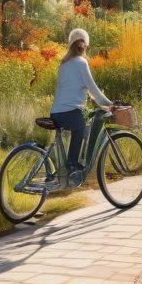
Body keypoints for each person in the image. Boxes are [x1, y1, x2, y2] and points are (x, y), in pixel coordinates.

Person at [50, 28, 113, 186]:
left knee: (83, 126)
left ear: (71, 45)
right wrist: (109, 104)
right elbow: (93, 89)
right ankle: (72, 165)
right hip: (69, 112)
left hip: (56, 113)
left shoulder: (64, 64)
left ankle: (69, 167)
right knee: (80, 126)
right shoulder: (81, 62)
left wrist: (98, 101)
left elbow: (78, 89)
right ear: (84, 46)